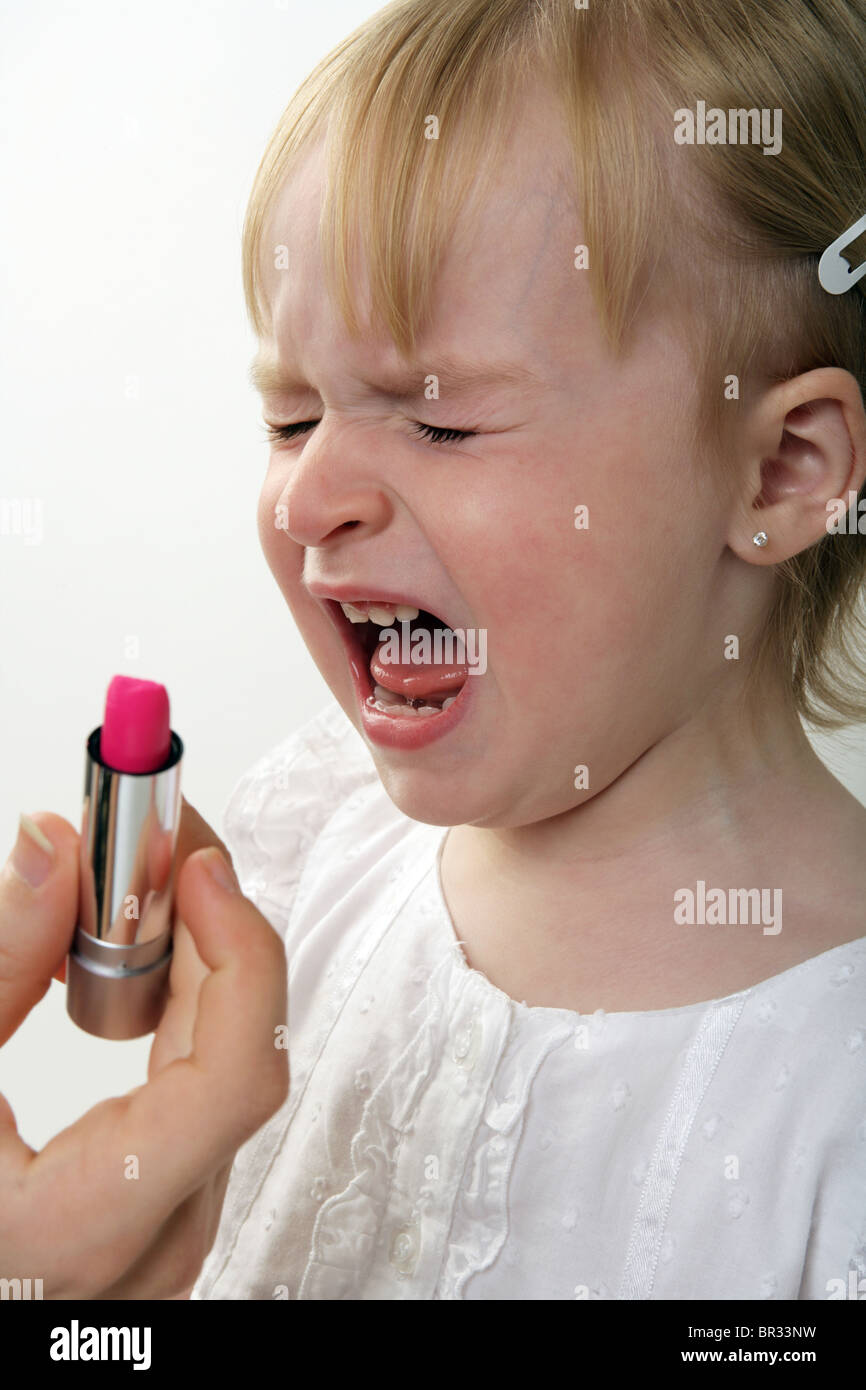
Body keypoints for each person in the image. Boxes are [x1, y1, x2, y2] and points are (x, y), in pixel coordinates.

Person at [3, 0, 866, 1299]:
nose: (307, 500)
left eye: (441, 421)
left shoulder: (832, 1103)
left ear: (783, 467)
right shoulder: (307, 851)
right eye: (292, 418)